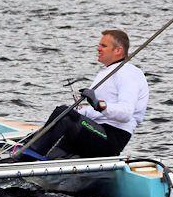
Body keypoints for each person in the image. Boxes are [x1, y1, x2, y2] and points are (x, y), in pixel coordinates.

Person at [21, 29, 148, 159]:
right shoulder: (107, 72)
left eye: (103, 46)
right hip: (95, 131)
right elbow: (97, 113)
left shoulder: (128, 73)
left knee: (64, 114)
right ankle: (27, 152)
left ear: (118, 50)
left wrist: (98, 104)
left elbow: (126, 113)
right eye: (99, 45)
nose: (98, 49)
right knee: (64, 114)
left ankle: (28, 154)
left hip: (110, 138)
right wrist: (80, 111)